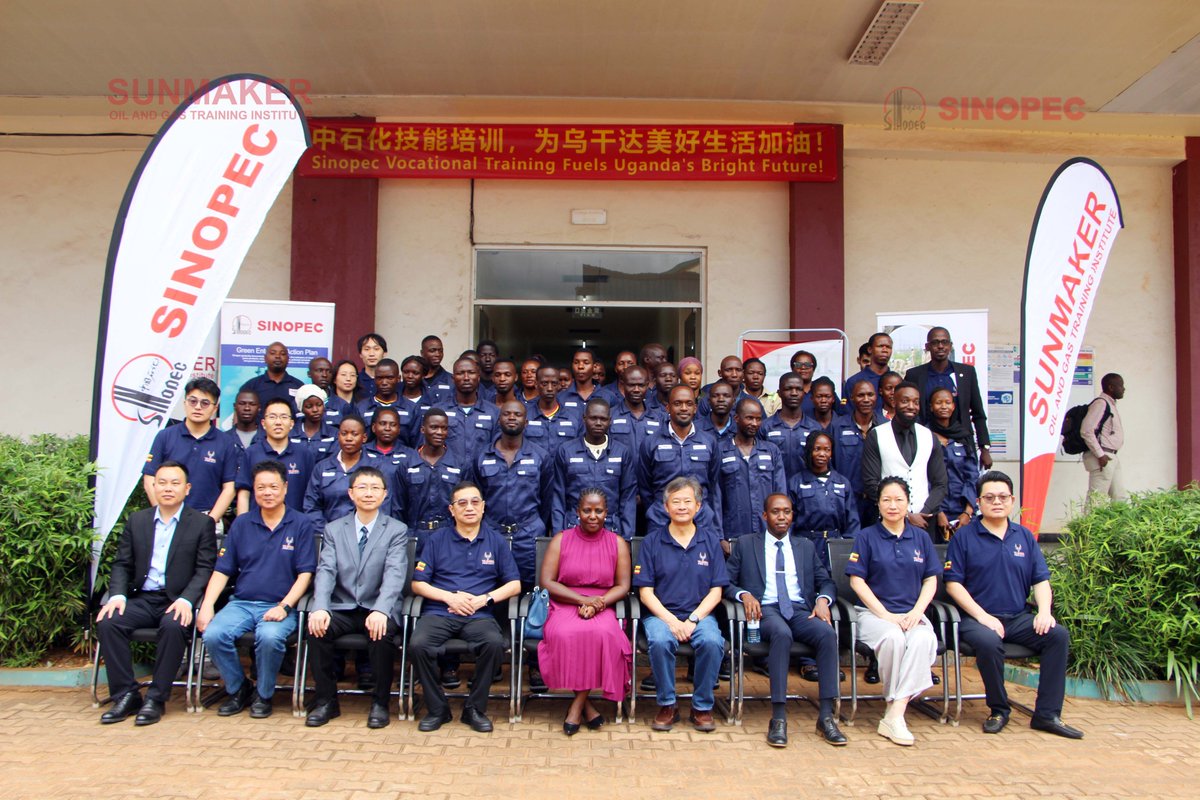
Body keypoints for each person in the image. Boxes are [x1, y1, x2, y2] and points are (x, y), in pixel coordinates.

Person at [944, 471, 1082, 738]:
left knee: (1057, 635)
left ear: (1012, 500)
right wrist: (983, 616)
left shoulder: (1024, 536)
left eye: (1003, 497)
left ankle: (1047, 714)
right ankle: (999, 709)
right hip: (976, 618)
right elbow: (953, 585)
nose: (997, 502)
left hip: (1018, 617)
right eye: (990, 497)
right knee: (988, 641)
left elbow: (1041, 580)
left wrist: (1044, 612)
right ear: (979, 501)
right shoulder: (964, 537)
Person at [96, 462, 217, 726]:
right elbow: (122, 564)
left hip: (176, 600)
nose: (168, 488)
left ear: (187, 489)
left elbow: (205, 568)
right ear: (153, 486)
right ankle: (126, 695)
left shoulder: (201, 524)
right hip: (142, 598)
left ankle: (155, 698)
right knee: (108, 622)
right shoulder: (137, 520)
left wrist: (187, 599)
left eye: (175, 483)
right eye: (162, 482)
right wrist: (117, 595)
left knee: (174, 627)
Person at [726, 494, 846, 748]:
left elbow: (826, 580)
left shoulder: (805, 546)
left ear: (793, 515)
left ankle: (826, 716)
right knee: (782, 634)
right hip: (765, 609)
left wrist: (823, 600)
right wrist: (743, 594)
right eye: (776, 512)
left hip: (801, 609)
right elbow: (726, 581)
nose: (782, 517)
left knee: (826, 634)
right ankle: (778, 717)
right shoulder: (747, 544)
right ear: (765, 516)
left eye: (787, 512)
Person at [198, 460, 315, 718]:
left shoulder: (300, 524)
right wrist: (207, 605)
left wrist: (285, 606)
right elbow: (222, 570)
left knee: (270, 638)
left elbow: (305, 574)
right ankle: (239, 688)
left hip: (280, 604)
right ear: (253, 489)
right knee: (214, 634)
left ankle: (264, 694)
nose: (267, 492)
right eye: (261, 487)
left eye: (273, 486)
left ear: (285, 488)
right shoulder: (241, 524)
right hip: (242, 602)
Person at [410, 481, 522, 733]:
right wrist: (449, 597)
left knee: (494, 644)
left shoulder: (495, 540)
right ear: (452, 509)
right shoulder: (436, 539)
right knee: (418, 645)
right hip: (440, 611)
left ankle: (474, 709)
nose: (469, 508)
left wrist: (485, 599)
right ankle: (438, 709)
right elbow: (418, 584)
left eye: (474, 502)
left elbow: (514, 584)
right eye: (462, 503)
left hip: (479, 613)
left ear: (483, 507)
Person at [305, 466, 410, 729]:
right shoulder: (334, 529)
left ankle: (380, 702)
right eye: (362, 487)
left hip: (377, 605)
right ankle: (326, 701)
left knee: (381, 633)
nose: (368, 493)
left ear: (385, 495)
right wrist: (320, 607)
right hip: (343, 606)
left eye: (375, 488)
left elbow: (395, 574)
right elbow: (326, 570)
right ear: (351, 493)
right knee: (317, 629)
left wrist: (382, 610)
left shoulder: (396, 529)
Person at [845, 477, 940, 746]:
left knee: (923, 639)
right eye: (886, 499)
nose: (893, 505)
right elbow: (857, 581)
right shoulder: (866, 537)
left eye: (899, 499)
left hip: (911, 613)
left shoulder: (920, 537)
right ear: (878, 504)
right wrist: (885, 615)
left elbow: (930, 579)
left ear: (908, 503)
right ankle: (895, 711)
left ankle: (895, 711)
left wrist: (916, 612)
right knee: (893, 638)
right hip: (873, 614)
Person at [633, 477, 730, 732]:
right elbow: (645, 593)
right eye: (676, 502)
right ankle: (667, 705)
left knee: (712, 642)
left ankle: (702, 706)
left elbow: (716, 591)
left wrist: (693, 620)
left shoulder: (710, 541)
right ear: (666, 507)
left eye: (688, 501)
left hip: (699, 614)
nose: (682, 506)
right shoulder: (652, 542)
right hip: (661, 615)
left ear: (698, 506)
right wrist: (672, 622)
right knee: (661, 641)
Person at [538, 489, 633, 735]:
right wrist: (583, 600)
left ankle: (577, 706)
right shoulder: (562, 539)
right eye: (587, 510)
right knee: (563, 634)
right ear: (577, 512)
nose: (593, 516)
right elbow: (547, 581)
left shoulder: (617, 542)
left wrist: (596, 603)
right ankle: (587, 706)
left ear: (606, 513)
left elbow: (623, 585)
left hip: (603, 603)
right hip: (566, 602)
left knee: (604, 634)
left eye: (598, 510)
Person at [475, 400, 554, 588]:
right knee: (489, 584)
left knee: (529, 588)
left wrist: (536, 524)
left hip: (528, 534)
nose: (512, 418)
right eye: (507, 414)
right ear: (498, 420)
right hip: (492, 532)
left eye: (518, 415)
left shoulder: (540, 456)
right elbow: (478, 497)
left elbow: (546, 499)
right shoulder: (482, 456)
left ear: (526, 422)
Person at [143, 378, 238, 528]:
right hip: (166, 518)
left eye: (205, 403)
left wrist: (210, 521)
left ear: (215, 408)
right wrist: (163, 514)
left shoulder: (226, 442)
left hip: (207, 518)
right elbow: (150, 479)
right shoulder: (165, 436)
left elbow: (230, 487)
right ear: (185, 403)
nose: (198, 407)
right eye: (193, 401)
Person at [862, 382, 948, 533]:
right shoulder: (876, 435)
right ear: (894, 402)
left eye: (916, 402)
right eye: (905, 401)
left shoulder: (929, 436)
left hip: (925, 521)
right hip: (888, 521)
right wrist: (906, 515)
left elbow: (940, 483)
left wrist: (924, 512)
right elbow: (871, 484)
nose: (911, 406)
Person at [637, 385, 723, 537]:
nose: (684, 408)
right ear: (668, 408)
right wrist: (657, 509)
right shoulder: (651, 443)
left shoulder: (709, 442)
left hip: (700, 520)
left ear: (695, 408)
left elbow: (713, 482)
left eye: (688, 403)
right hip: (660, 520)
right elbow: (645, 486)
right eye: (678, 403)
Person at [904, 327, 993, 468]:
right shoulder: (914, 375)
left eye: (944, 342)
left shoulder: (966, 372)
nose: (940, 346)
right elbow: (909, 412)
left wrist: (985, 449)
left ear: (950, 346)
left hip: (962, 443)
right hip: (926, 442)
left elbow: (978, 413)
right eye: (935, 342)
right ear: (927, 347)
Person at [549, 397, 637, 540]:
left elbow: (628, 499)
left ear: (610, 421)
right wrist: (558, 536)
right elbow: (558, 497)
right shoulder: (566, 451)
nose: (598, 423)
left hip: (611, 530)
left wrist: (627, 538)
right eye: (593, 418)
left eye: (603, 419)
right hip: (574, 529)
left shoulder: (622, 452)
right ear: (584, 419)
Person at [392, 408, 473, 549]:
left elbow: (467, 505)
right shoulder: (407, 464)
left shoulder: (459, 464)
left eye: (444, 428)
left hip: (450, 537)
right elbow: (398, 507)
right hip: (414, 537)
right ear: (423, 429)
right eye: (434, 427)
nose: (439, 432)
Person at [716, 398, 785, 555]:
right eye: (749, 418)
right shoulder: (721, 451)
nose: (754, 423)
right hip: (733, 533)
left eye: (758, 419)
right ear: (736, 418)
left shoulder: (771, 451)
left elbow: (780, 493)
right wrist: (719, 537)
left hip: (767, 533)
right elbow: (715, 497)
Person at [789, 431, 860, 571]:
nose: (822, 454)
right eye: (817, 449)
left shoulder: (842, 482)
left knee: (833, 587)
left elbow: (852, 521)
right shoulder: (796, 482)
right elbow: (790, 519)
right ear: (809, 451)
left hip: (834, 544)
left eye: (827, 450)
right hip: (806, 543)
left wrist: (847, 547)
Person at [235, 397, 315, 514]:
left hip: (295, 526)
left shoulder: (304, 454)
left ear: (291, 424)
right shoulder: (251, 453)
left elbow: (312, 495)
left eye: (284, 417)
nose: (278, 422)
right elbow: (244, 493)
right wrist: (242, 524)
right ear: (263, 423)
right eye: (272, 417)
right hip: (257, 525)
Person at [304, 416, 386, 528]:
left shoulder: (376, 466)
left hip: (366, 535)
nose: (348, 438)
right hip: (329, 536)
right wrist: (327, 532)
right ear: (338, 436)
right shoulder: (322, 467)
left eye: (354, 434)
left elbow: (384, 504)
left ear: (364, 437)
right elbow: (311, 506)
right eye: (344, 433)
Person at [829, 379, 887, 526]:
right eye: (861, 395)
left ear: (876, 397)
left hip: (878, 501)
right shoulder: (837, 426)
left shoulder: (886, 427)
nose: (866, 399)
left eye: (870, 395)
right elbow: (830, 464)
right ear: (852, 398)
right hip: (848, 500)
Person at [928, 387, 979, 541]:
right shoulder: (924, 435)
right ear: (931, 407)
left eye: (948, 402)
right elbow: (924, 479)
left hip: (963, 511)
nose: (944, 406)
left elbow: (972, 477)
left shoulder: (963, 436)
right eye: (939, 403)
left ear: (954, 406)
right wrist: (938, 513)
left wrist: (967, 513)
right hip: (934, 512)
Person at [434, 356, 499, 464]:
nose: (466, 377)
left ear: (478, 377)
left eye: (471, 372)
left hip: (482, 476)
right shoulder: (438, 411)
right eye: (461, 373)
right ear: (453, 378)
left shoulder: (494, 412)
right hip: (449, 476)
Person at [759, 372, 819, 480]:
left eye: (799, 389)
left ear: (804, 393)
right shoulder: (765, 427)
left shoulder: (815, 428)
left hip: (805, 491)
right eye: (788, 389)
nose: (794, 393)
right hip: (774, 490)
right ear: (779, 393)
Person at [1081, 372, 1126, 503]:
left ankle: (1121, 524)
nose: (1123, 389)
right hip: (1103, 456)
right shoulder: (1101, 403)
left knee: (1120, 498)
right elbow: (1086, 430)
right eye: (1120, 385)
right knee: (1096, 500)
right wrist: (1100, 455)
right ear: (1111, 387)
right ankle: (1089, 524)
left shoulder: (1110, 404)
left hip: (1111, 456)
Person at [525, 364, 582, 451]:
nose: (550, 388)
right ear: (536, 384)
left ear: (559, 385)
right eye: (544, 383)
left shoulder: (574, 416)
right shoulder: (525, 415)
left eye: (554, 383)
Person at [357, 358, 415, 442]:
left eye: (389, 378)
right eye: (380, 378)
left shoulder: (411, 408)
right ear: (375, 379)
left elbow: (416, 441)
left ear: (398, 379)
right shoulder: (361, 408)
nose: (384, 382)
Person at [239, 341, 304, 411]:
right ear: (265, 358)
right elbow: (239, 412)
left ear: (288, 359)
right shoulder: (251, 386)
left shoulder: (299, 386)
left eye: (282, 354)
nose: (278, 356)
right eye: (273, 353)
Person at [842, 333, 892, 408]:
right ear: (870, 349)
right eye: (880, 346)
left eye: (888, 347)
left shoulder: (897, 381)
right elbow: (846, 411)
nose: (885, 350)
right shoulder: (853, 381)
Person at [291, 384, 339, 461]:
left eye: (319, 405)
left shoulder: (334, 434)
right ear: (301, 409)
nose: (315, 410)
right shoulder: (290, 434)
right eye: (309, 406)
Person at [421, 335, 454, 405]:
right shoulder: (415, 379)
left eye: (440, 351)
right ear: (422, 353)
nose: (438, 354)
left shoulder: (452, 380)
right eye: (432, 351)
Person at [356, 332, 388, 400]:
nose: (371, 354)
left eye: (376, 349)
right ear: (360, 354)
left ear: (385, 353)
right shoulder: (355, 380)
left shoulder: (391, 380)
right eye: (367, 349)